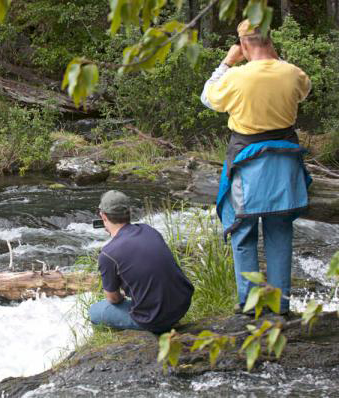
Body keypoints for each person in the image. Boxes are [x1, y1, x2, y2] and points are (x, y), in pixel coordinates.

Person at [200, 20, 312, 315]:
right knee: (279, 232)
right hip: (285, 159)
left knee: (243, 231)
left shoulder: (235, 77)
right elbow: (305, 90)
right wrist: (275, 57)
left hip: (246, 161)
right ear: (270, 41)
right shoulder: (292, 72)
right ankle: (280, 305)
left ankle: (250, 304)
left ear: (244, 45)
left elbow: (207, 98)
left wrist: (226, 62)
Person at [88, 190, 194, 333]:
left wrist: (122, 295)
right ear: (129, 212)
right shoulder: (149, 230)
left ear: (103, 216)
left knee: (94, 311)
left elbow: (113, 299)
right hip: (182, 305)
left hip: (154, 319)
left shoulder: (108, 254)